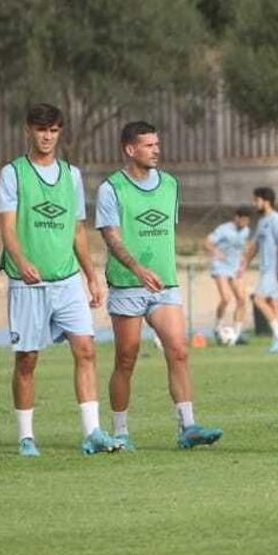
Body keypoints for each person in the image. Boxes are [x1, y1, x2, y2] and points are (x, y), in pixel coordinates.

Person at [0, 103, 117, 457]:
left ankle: (93, 432)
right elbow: (6, 226)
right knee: (27, 360)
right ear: (28, 131)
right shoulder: (13, 173)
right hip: (28, 284)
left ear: (60, 132)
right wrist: (21, 262)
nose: (47, 136)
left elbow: (77, 230)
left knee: (86, 350)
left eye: (53, 130)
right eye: (40, 129)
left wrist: (91, 277)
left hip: (67, 281)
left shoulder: (72, 175)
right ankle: (26, 437)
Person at [97, 121, 223, 451]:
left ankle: (188, 426)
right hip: (127, 284)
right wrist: (137, 268)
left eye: (157, 144)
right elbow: (111, 237)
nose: (156, 149)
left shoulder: (170, 184)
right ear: (130, 149)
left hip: (165, 284)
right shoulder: (111, 188)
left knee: (179, 351)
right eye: (149, 145)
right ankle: (121, 430)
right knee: (126, 358)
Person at [238, 186, 278, 353]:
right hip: (266, 268)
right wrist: (245, 263)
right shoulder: (262, 222)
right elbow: (255, 246)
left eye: (256, 200)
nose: (254, 203)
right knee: (274, 304)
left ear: (266, 201)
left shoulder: (277, 219)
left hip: (275, 268)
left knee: (258, 299)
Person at [206, 207, 254, 344]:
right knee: (226, 298)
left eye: (247, 220)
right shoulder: (223, 229)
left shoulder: (246, 231)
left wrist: (243, 264)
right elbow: (207, 243)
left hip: (235, 268)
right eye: (243, 219)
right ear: (236, 218)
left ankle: (236, 333)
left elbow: (243, 249)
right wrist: (215, 252)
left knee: (242, 299)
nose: (245, 223)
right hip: (220, 266)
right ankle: (217, 327)